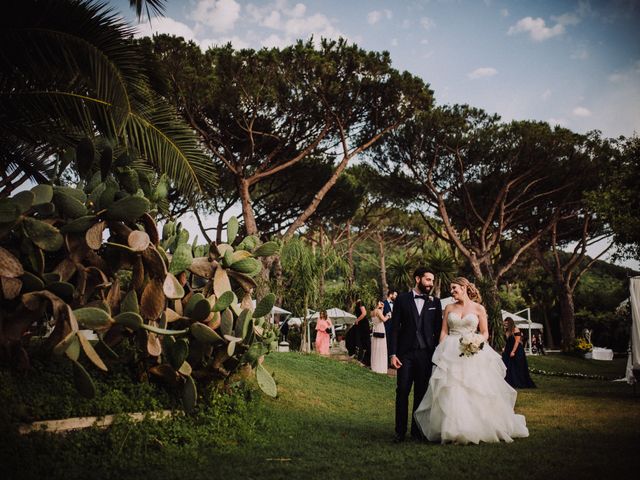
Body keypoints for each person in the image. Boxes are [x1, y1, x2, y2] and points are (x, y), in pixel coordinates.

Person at [414, 277, 529, 444]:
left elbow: (485, 332)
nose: (451, 291)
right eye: (451, 289)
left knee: (475, 388)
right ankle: (452, 429)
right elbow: (444, 331)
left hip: (472, 351)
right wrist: (442, 348)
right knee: (451, 389)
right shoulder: (448, 308)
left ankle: (479, 427)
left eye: (454, 288)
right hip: (451, 351)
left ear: (464, 287)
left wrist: (475, 342)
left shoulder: (479, 308)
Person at [389, 267, 442, 442]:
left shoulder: (435, 302)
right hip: (405, 354)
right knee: (402, 391)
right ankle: (400, 431)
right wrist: (393, 354)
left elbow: (438, 330)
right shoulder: (402, 299)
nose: (431, 284)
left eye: (432, 280)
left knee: (421, 393)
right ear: (418, 279)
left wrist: (437, 354)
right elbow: (394, 329)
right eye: (428, 280)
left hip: (425, 354)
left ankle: (417, 431)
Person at [502, 317, 536, 388]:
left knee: (517, 366)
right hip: (508, 349)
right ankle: (510, 382)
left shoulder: (516, 329)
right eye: (504, 324)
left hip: (517, 350)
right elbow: (507, 341)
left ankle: (519, 382)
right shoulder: (506, 331)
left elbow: (517, 341)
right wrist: (505, 348)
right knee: (508, 365)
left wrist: (513, 351)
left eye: (506, 323)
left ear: (510, 323)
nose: (505, 325)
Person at [370, 300, 390, 374]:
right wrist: (388, 315)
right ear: (377, 304)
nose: (381, 303)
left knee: (375, 348)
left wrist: (382, 308)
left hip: (375, 330)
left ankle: (374, 366)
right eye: (379, 302)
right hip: (380, 329)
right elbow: (384, 319)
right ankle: (380, 368)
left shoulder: (372, 312)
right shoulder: (378, 311)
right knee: (381, 348)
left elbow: (378, 317)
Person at [353, 299, 370, 366]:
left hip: (363, 324)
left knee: (364, 341)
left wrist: (357, 320)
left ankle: (365, 359)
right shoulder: (357, 305)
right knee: (359, 341)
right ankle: (360, 357)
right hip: (360, 324)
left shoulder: (361, 304)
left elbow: (364, 313)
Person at [383, 290, 398, 354]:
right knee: (386, 344)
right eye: (395, 295)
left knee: (393, 344)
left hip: (394, 328)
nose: (396, 297)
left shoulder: (396, 304)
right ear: (390, 295)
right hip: (386, 327)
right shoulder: (383, 303)